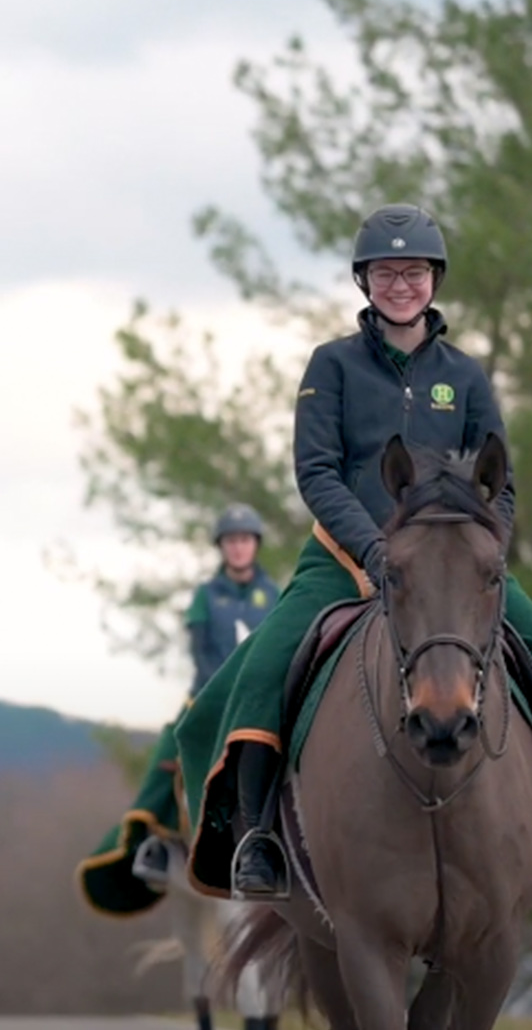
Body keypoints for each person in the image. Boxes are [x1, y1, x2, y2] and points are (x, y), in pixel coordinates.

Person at [173, 202, 532, 901]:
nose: (402, 283)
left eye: (416, 270)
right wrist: (371, 550)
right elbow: (316, 470)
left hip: (455, 569)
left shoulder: (465, 374)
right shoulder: (330, 366)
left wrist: (486, 548)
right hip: (343, 557)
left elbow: (503, 483)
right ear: (365, 280)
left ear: (435, 279)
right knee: (261, 670)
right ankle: (256, 838)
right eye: (387, 271)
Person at [124, 504, 279, 885]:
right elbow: (201, 652)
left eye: (244, 540)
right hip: (209, 693)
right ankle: (154, 839)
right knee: (172, 742)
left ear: (254, 545)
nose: (238, 548)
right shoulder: (205, 596)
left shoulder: (273, 593)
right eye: (231, 541)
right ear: (221, 548)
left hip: (259, 695)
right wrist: (220, 692)